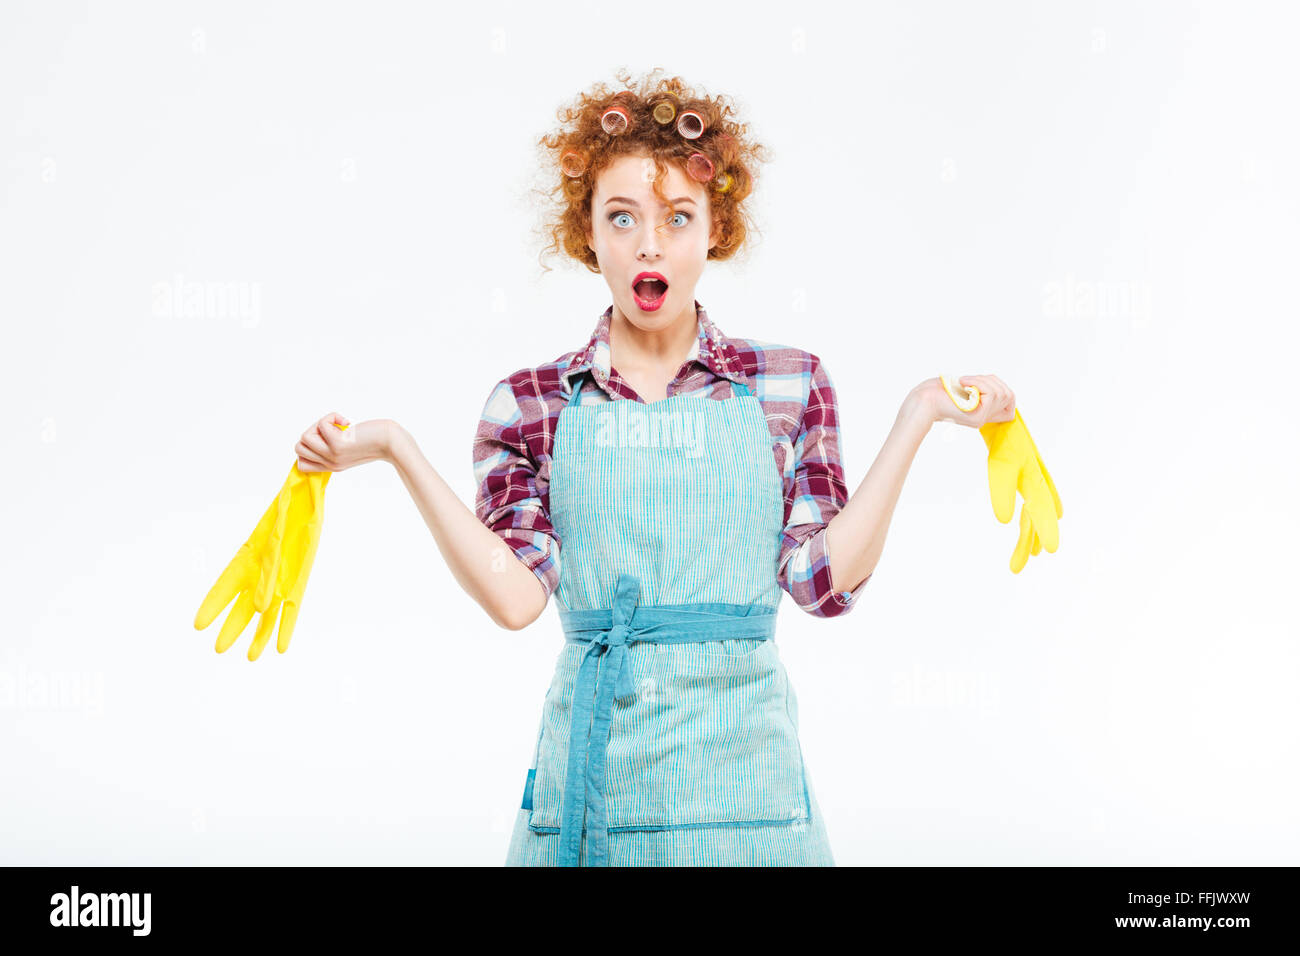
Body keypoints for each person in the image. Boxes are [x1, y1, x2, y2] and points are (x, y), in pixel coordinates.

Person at [291, 69, 1018, 866]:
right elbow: (514, 597)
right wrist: (400, 449)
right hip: (595, 790)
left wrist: (918, 416)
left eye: (678, 217)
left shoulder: (789, 383)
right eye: (622, 217)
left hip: (748, 801)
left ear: (715, 229)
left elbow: (821, 583)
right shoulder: (529, 404)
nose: (649, 243)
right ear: (588, 234)